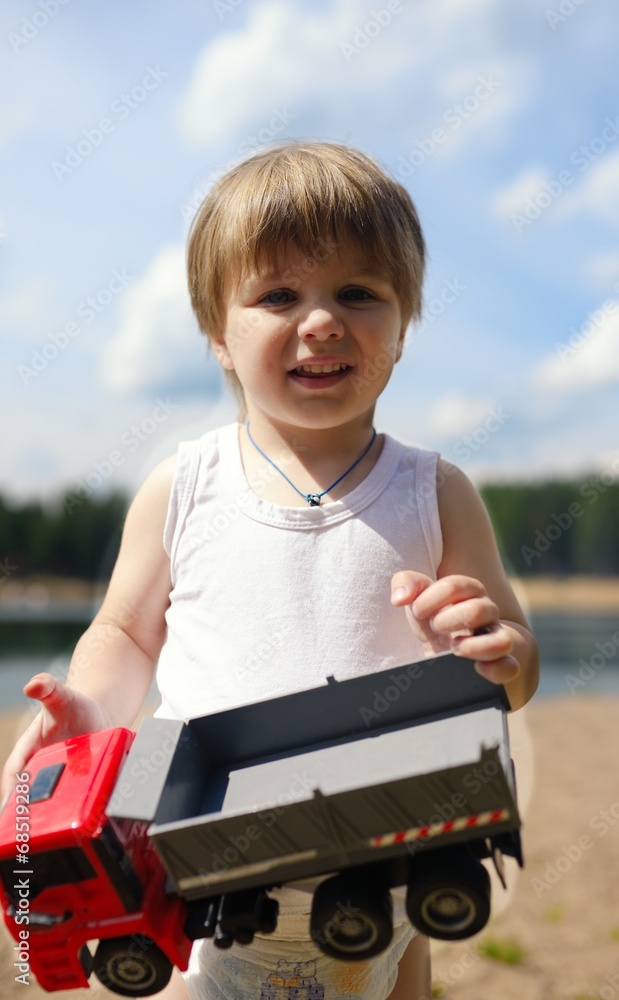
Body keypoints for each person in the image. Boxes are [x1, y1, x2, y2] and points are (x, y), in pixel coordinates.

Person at [1, 141, 538, 1000]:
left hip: (385, 853)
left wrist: (493, 646)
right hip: (195, 867)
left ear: (403, 327)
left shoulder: (434, 491)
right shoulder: (184, 485)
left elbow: (514, 663)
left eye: (357, 293)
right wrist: (92, 712)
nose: (320, 321)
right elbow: (127, 632)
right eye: (279, 296)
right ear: (219, 334)